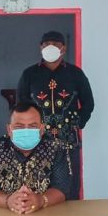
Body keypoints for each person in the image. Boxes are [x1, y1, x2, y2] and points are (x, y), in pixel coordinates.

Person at [17, 31, 93, 201]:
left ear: (63, 48)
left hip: (68, 139)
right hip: (38, 139)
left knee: (71, 182)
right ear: (40, 47)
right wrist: (27, 129)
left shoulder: (75, 74)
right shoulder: (29, 74)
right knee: (38, 180)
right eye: (46, 44)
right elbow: (20, 105)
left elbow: (88, 102)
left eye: (55, 44)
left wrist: (78, 123)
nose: (50, 47)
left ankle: (72, 215)